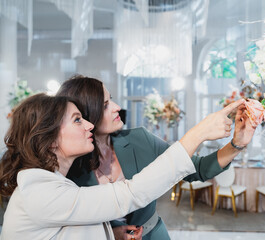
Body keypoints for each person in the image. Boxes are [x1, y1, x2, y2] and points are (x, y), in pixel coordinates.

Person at [0, 93, 246, 240]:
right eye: (77, 120)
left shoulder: (46, 184)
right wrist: (199, 132)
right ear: (50, 138)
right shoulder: (39, 191)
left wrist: (111, 234)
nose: (88, 125)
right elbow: (129, 194)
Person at [57, 76, 257, 240]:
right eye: (106, 105)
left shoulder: (139, 139)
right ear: (86, 115)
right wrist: (108, 234)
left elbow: (198, 169)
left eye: (112, 99)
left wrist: (237, 143)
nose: (117, 107)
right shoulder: (68, 168)